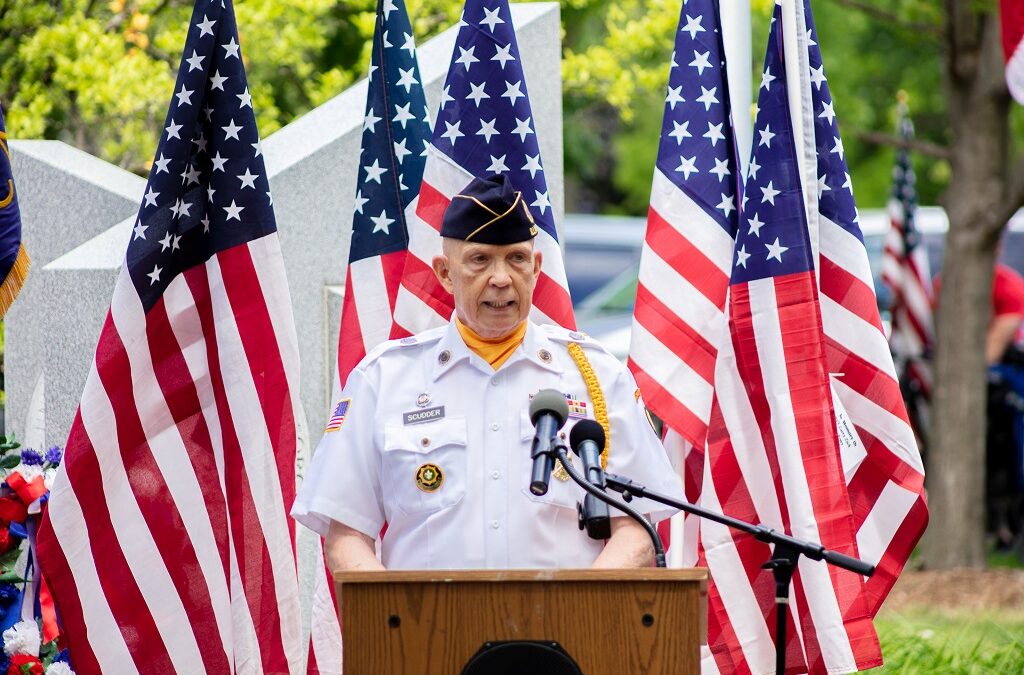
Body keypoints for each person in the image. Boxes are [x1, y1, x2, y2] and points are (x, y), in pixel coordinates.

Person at [292, 174, 683, 571]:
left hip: (569, 628)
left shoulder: (595, 375)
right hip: (426, 629)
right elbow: (347, 537)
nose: (501, 278)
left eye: (517, 258)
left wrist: (578, 613)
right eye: (480, 260)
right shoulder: (384, 378)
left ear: (536, 268)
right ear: (445, 273)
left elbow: (635, 530)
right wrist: (400, 624)